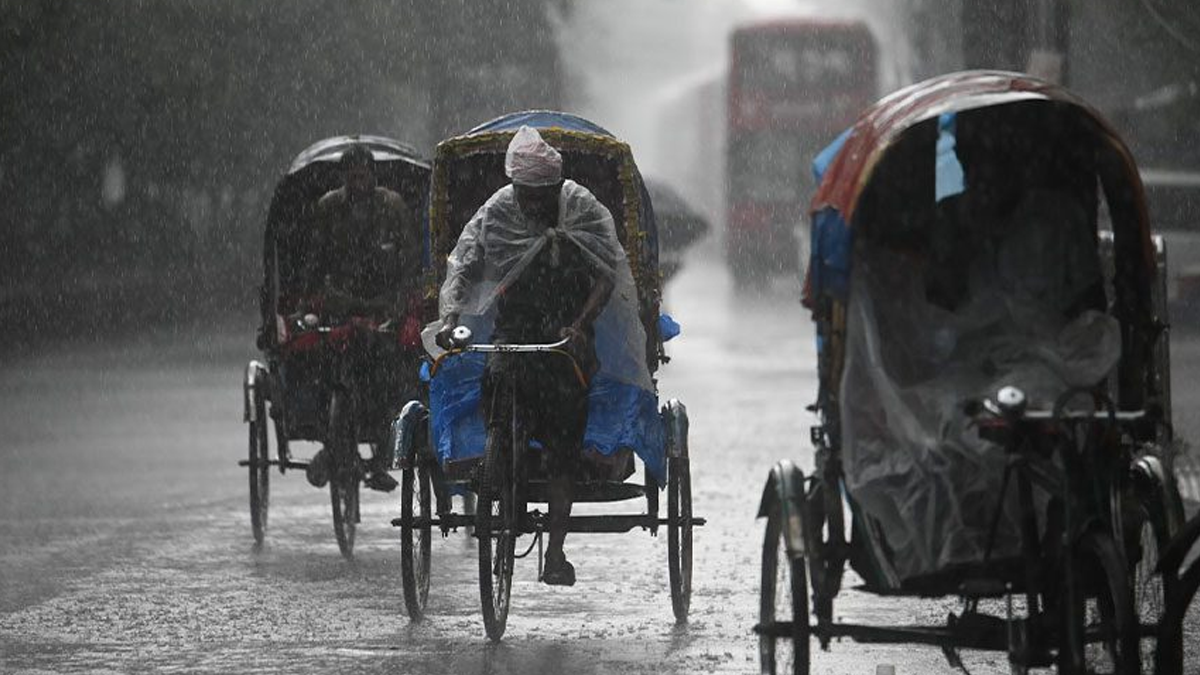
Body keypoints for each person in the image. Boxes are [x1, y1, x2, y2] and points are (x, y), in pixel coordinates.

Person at [435, 126, 617, 586]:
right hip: (515, 329)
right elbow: (465, 262)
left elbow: (606, 273)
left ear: (555, 189)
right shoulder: (498, 210)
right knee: (497, 384)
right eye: (525, 194)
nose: (532, 204)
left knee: (562, 448)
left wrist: (580, 323)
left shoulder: (580, 207)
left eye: (540, 196)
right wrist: (451, 316)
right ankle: (500, 462)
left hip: (566, 334)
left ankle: (555, 553)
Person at [304, 144, 422, 493]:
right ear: (344, 178)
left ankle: (385, 446)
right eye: (351, 175)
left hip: (384, 308)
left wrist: (398, 308)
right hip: (341, 307)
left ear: (373, 175)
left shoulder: (393, 207)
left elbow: (410, 264)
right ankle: (331, 441)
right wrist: (312, 303)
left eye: (363, 174)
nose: (358, 181)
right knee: (322, 368)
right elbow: (315, 263)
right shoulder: (328, 208)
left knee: (386, 373)